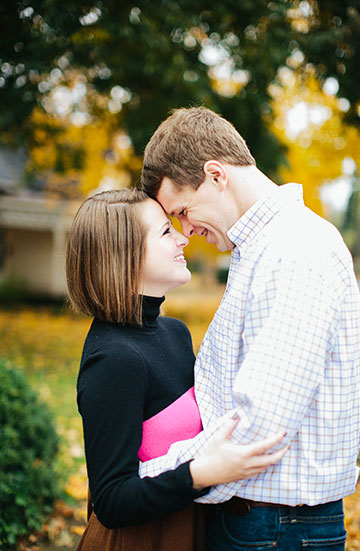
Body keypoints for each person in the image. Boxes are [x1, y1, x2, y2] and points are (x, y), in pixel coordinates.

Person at [135, 106, 360, 550]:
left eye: (183, 210)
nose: (185, 231)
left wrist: (145, 476)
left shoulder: (294, 252)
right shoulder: (262, 248)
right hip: (264, 526)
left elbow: (257, 431)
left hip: (277, 531)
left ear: (216, 175)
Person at [66, 189, 288, 551]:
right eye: (166, 232)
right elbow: (111, 500)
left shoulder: (175, 333)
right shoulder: (113, 359)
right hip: (142, 540)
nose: (183, 237)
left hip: (194, 530)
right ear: (125, 254)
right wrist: (202, 474)